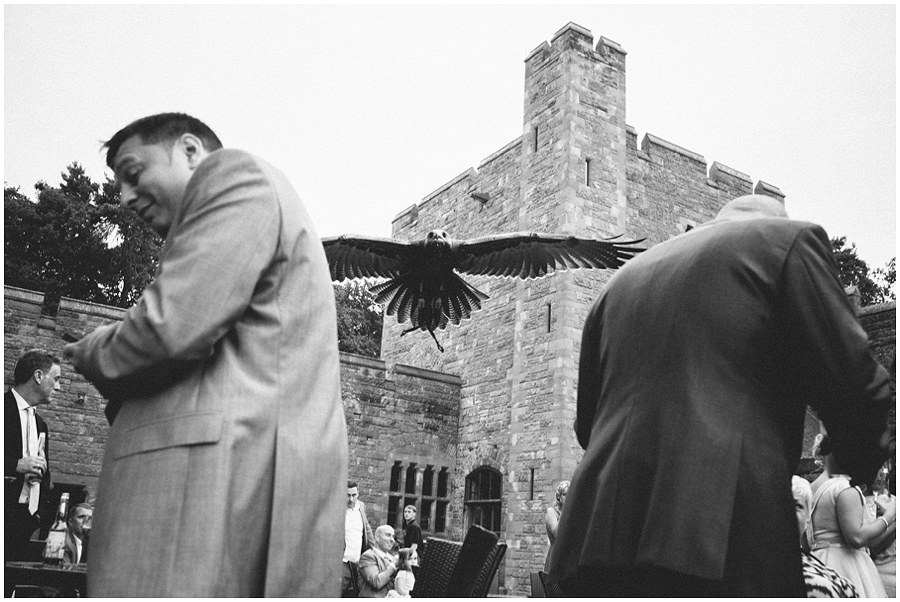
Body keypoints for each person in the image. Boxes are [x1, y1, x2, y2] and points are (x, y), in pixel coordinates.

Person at [548, 195, 894, 596]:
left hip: (594, 541)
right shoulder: (789, 241)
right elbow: (857, 389)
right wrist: (860, 472)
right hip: (722, 532)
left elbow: (587, 427)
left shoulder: (616, 285)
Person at [62, 113, 349, 597]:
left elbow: (168, 327)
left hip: (213, 498)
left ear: (191, 151)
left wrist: (91, 350)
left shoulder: (233, 175)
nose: (126, 198)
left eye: (134, 174)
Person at [808, 433, 893, 597]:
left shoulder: (810, 487)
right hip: (846, 566)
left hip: (818, 561)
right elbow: (856, 538)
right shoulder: (844, 487)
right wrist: (888, 517)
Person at [4, 350, 59, 562]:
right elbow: (17, 465)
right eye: (56, 379)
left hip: (26, 522)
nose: (59, 386)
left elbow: (45, 475)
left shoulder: (41, 425)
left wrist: (38, 515)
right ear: (38, 376)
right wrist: (15, 464)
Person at [792, 475, 859, 597]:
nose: (788, 511)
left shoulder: (840, 584)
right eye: (783, 503)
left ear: (808, 519)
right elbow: (858, 538)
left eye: (797, 506)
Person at [359, 525, 411, 598]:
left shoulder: (392, 558)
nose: (392, 540)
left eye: (393, 536)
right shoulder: (368, 556)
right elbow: (376, 582)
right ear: (377, 538)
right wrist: (393, 565)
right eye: (388, 535)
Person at [344, 481, 375, 596]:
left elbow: (367, 529)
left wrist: (376, 551)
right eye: (347, 495)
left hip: (357, 563)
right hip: (342, 563)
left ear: (358, 494)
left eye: (354, 495)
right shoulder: (336, 509)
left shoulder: (361, 506)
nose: (351, 499)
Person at [869, 463, 896, 597]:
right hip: (883, 575)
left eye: (882, 469)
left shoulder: (895, 501)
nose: (880, 474)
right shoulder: (865, 504)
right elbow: (873, 547)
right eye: (877, 469)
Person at [544, 480, 569, 571]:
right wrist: (565, 509)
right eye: (565, 494)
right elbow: (557, 534)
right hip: (556, 557)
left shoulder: (571, 515)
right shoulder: (551, 512)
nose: (568, 498)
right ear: (559, 497)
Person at [401, 505, 423, 573]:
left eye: (409, 512)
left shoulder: (414, 527)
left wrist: (405, 557)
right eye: (405, 512)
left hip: (415, 556)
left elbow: (414, 546)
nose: (406, 514)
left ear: (414, 514)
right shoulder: (408, 525)